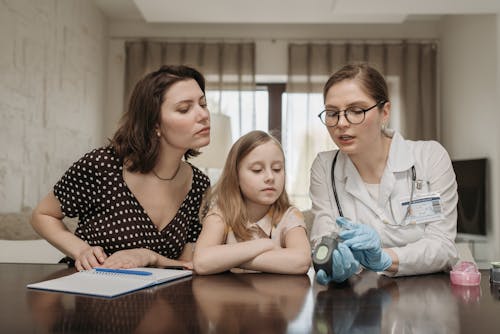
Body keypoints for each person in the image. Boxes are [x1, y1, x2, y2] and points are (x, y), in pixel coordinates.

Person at [31, 65, 211, 271]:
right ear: (154, 125)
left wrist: (149, 256)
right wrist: (80, 250)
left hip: (159, 299)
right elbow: (43, 215)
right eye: (184, 109)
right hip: (88, 292)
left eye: (203, 104)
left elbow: (186, 264)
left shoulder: (199, 183)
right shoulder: (101, 166)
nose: (203, 115)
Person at [310, 63, 458, 284]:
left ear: (385, 112)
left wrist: (384, 258)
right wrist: (333, 261)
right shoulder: (324, 166)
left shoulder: (429, 157)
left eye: (356, 111)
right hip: (358, 302)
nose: (341, 123)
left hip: (424, 300)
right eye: (332, 113)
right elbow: (323, 240)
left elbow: (443, 245)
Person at [193, 130, 311, 275]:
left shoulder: (289, 215)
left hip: (274, 297)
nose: (270, 177)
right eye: (257, 170)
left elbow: (301, 262)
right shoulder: (221, 213)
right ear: (236, 176)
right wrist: (264, 244)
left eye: (277, 169)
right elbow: (202, 262)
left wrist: (225, 260)